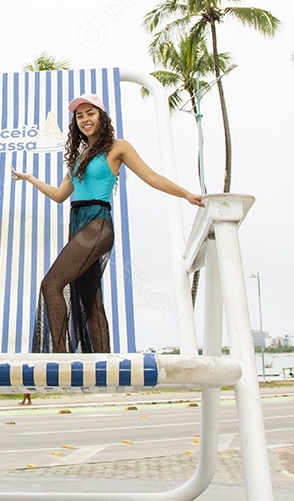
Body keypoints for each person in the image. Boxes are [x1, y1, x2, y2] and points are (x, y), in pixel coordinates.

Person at [11, 92, 204, 354]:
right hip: (77, 224)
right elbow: (59, 196)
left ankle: (59, 359)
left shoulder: (117, 147)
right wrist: (31, 178)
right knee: (91, 303)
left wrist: (186, 194)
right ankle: (104, 368)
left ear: (102, 116)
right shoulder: (79, 157)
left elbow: (151, 176)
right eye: (79, 116)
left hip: (97, 224)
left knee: (51, 284)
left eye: (90, 113)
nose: (84, 119)